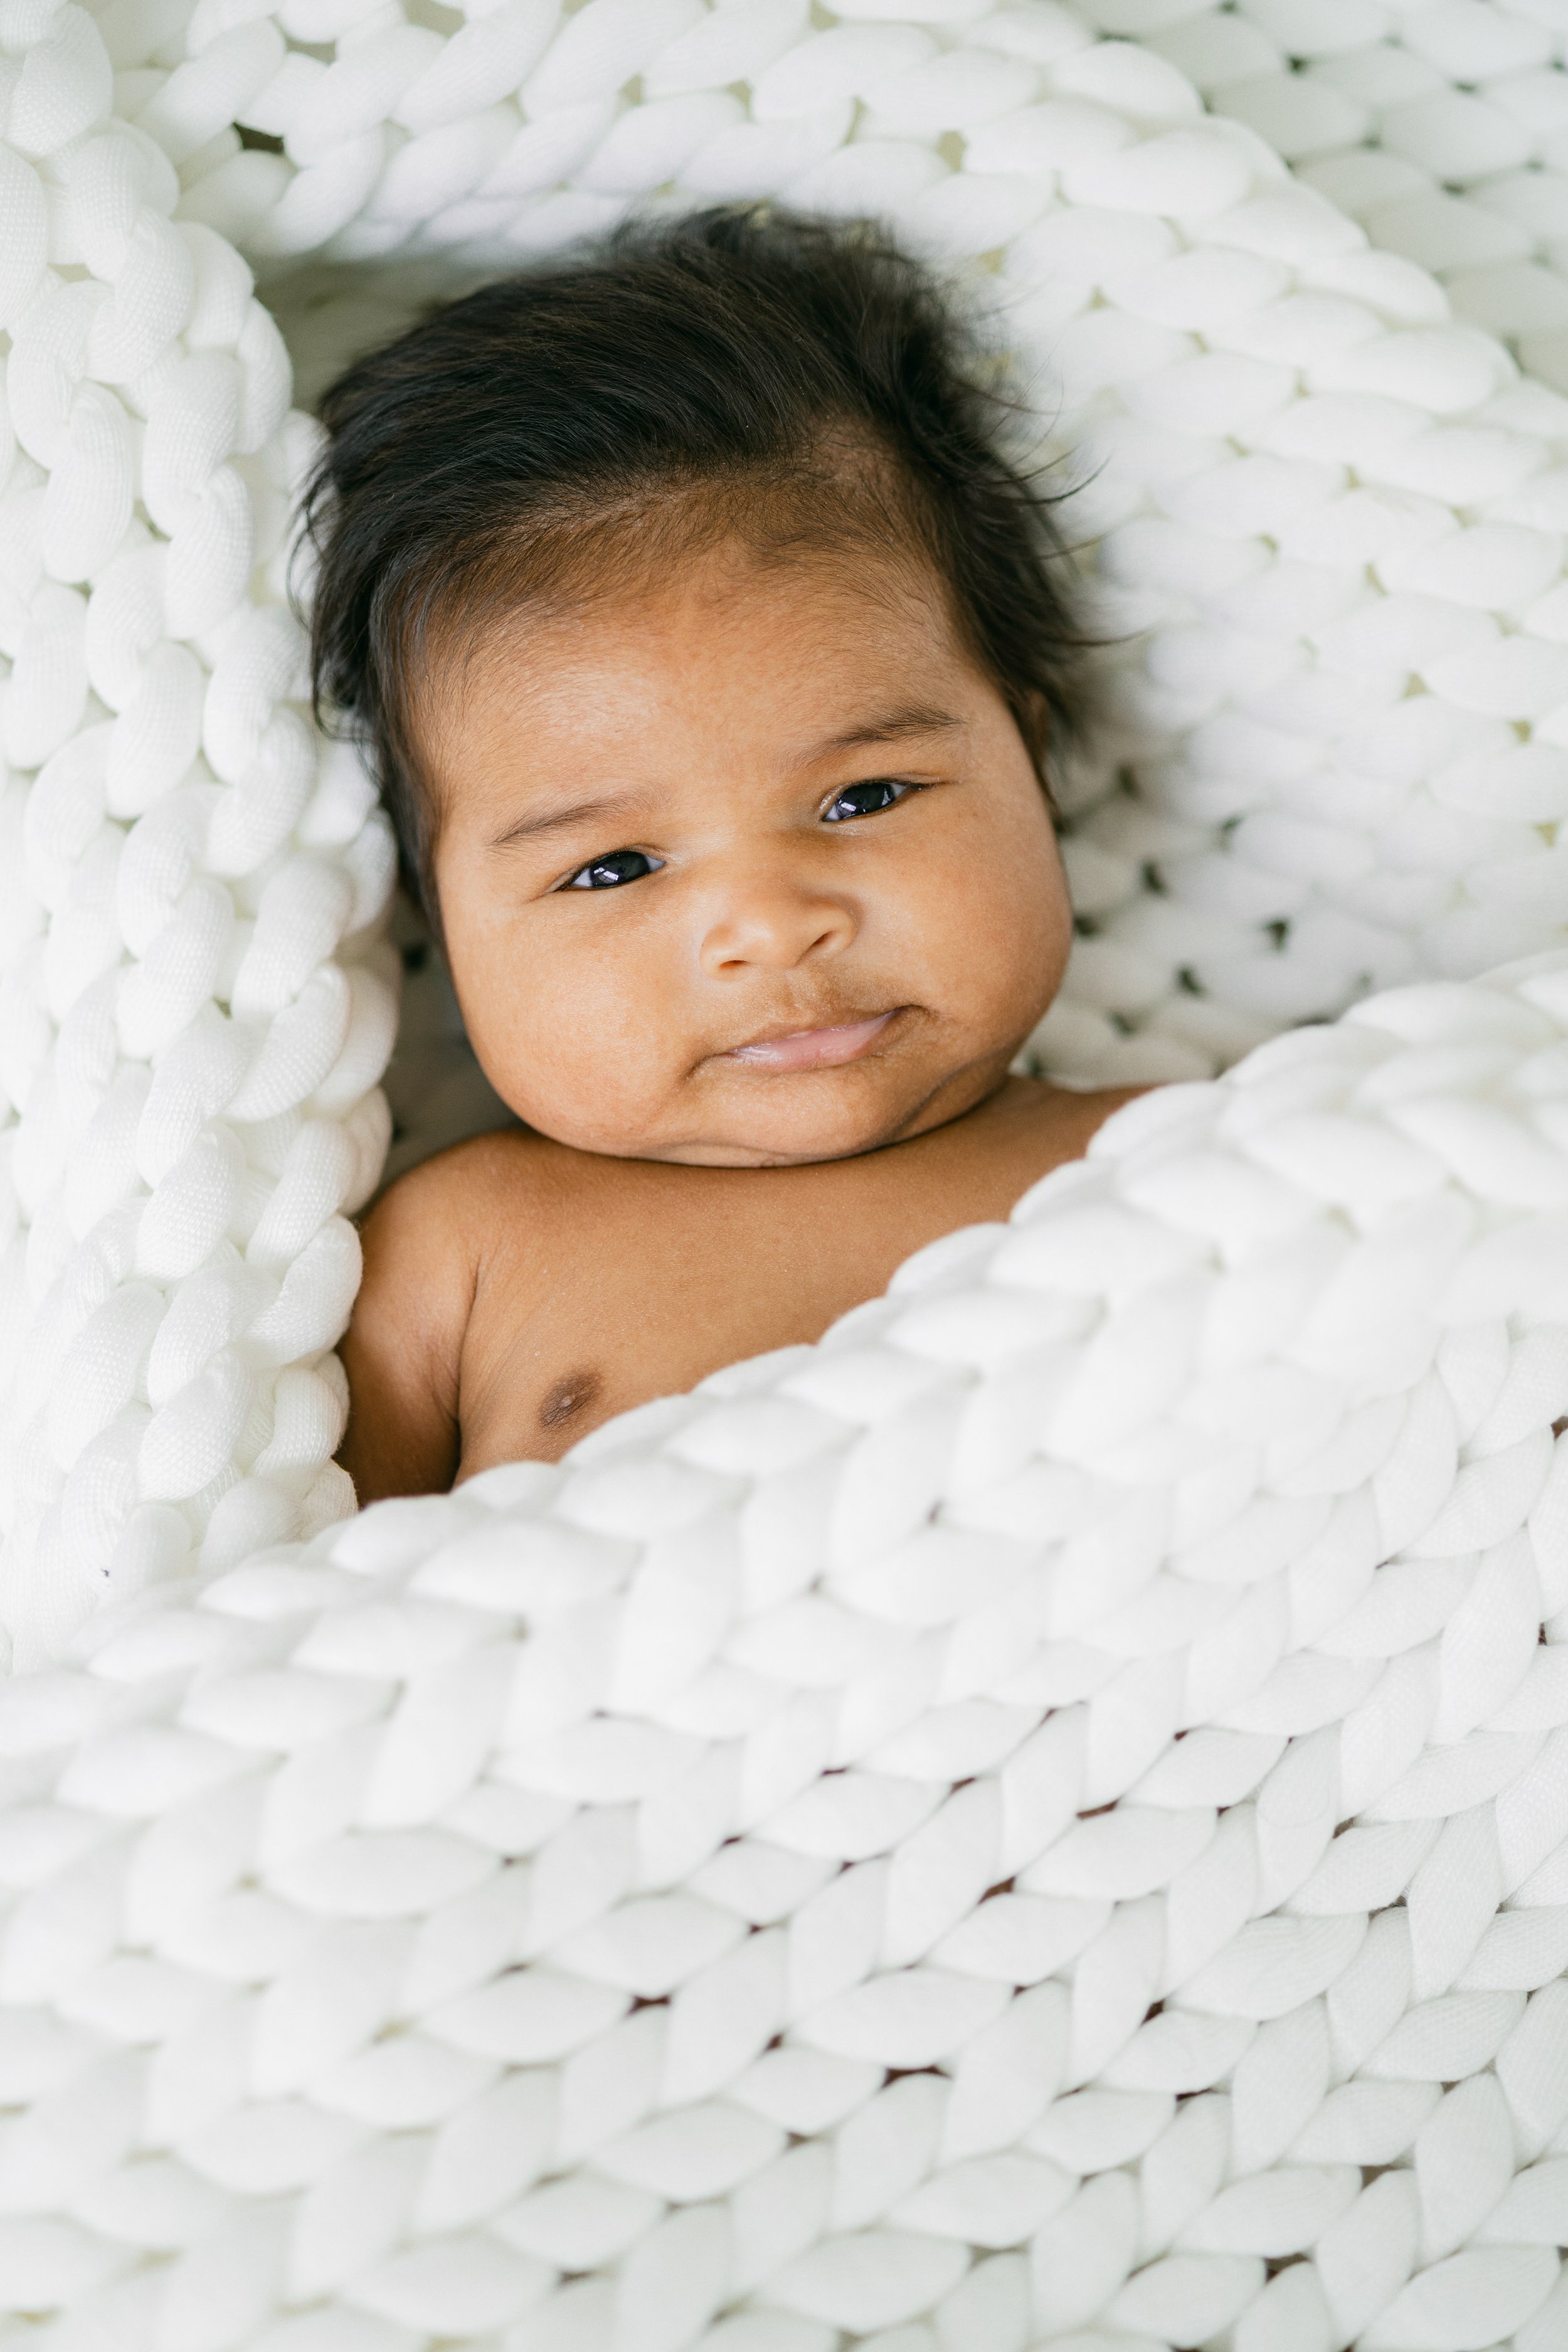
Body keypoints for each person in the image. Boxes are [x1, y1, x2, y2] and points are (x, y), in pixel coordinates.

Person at [308, 205, 1138, 1500]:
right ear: (436, 918)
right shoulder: (457, 1255)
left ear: (1025, 765)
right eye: (612, 868)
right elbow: (281, 1641)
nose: (768, 922)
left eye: (863, 795)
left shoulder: (1181, 1165)